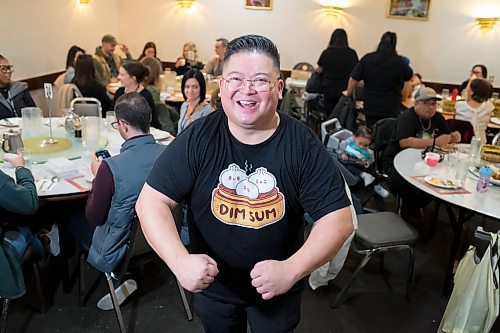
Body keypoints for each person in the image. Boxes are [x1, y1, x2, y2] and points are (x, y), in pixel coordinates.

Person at [136, 34, 353, 332]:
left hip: (278, 289)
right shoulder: (199, 138)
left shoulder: (300, 144)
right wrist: (178, 261)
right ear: (222, 86)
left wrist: (293, 268)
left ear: (279, 88)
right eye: (235, 78)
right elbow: (151, 201)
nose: (247, 90)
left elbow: (339, 220)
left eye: (261, 80)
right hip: (215, 287)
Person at [68, 92, 166, 310]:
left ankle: (75, 281)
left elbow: (94, 217)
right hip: (163, 234)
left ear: (123, 125)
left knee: (72, 218)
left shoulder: (111, 168)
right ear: (149, 119)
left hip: (120, 246)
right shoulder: (169, 154)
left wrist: (97, 176)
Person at [383, 87, 461, 217]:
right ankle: (408, 208)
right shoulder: (406, 117)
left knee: (441, 179)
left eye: (433, 104)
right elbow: (405, 142)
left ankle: (419, 205)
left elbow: (446, 137)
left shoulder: (438, 118)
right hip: (395, 162)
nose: (430, 107)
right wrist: (435, 141)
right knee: (410, 185)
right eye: (426, 103)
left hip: (424, 162)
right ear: (416, 103)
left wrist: (453, 138)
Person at [345, 31, 413, 129]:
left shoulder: (368, 58)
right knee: (388, 134)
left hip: (371, 105)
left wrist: (348, 94)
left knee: (371, 132)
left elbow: (353, 79)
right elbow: (408, 80)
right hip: (392, 106)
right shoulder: (400, 62)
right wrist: (403, 97)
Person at [338, 126, 390, 198]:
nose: (362, 147)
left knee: (372, 171)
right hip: (351, 162)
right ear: (354, 137)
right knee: (348, 166)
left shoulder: (368, 150)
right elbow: (339, 150)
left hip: (363, 164)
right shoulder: (347, 143)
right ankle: (364, 175)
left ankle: (377, 186)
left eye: (365, 145)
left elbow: (371, 158)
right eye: (360, 143)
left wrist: (366, 163)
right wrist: (342, 154)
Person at [316, 28, 358, 115]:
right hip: (345, 88)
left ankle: (327, 127)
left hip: (328, 87)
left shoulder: (327, 52)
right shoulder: (352, 53)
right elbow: (356, 73)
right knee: (343, 115)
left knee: (329, 114)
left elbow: (320, 69)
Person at [113, 61, 161, 129]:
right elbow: (112, 113)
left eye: (122, 75)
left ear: (133, 78)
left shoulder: (145, 96)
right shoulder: (119, 92)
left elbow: (151, 122)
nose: (118, 77)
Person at [455, 78, 493, 144]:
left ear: (472, 91)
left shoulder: (459, 105)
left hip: (461, 141)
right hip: (481, 142)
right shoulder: (489, 106)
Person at [0, 55, 36, 119]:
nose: (8, 72)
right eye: (3, 69)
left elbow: (34, 113)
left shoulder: (20, 88)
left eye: (9, 68)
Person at [177, 69, 211, 134]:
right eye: (187, 87)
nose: (190, 91)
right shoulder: (184, 105)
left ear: (201, 88)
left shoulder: (206, 110)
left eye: (195, 87)